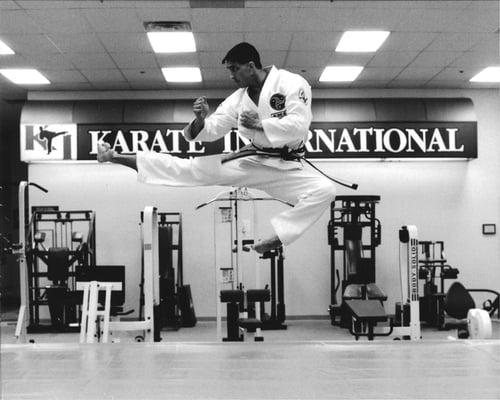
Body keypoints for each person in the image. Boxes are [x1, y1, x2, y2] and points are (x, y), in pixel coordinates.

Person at [97, 42, 337, 253]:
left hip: (289, 166)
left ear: (250, 66)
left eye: (234, 69)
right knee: (192, 169)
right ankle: (114, 156)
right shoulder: (238, 99)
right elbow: (212, 129)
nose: (231, 76)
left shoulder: (292, 83)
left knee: (325, 190)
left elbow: (299, 125)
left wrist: (262, 124)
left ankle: (280, 236)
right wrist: (201, 120)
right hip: (254, 161)